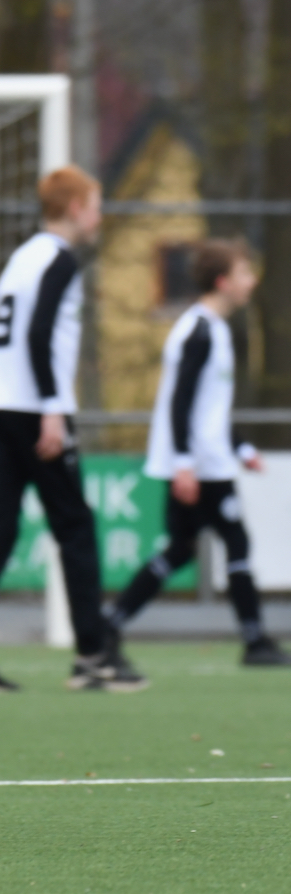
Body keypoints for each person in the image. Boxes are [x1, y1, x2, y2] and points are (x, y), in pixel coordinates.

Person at [0, 165, 147, 694]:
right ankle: (92, 657)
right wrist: (54, 409)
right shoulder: (60, 258)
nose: (98, 217)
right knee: (75, 526)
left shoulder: (22, 256)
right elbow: (38, 336)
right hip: (35, 407)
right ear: (76, 207)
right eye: (95, 206)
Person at [105, 239, 289, 666]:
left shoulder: (213, 329)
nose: (251, 282)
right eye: (244, 274)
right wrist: (184, 464)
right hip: (203, 466)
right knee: (234, 543)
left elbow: (210, 410)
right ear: (223, 282)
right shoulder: (201, 332)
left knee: (181, 550)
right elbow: (181, 402)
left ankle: (110, 624)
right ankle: (255, 642)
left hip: (206, 459)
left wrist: (241, 447)